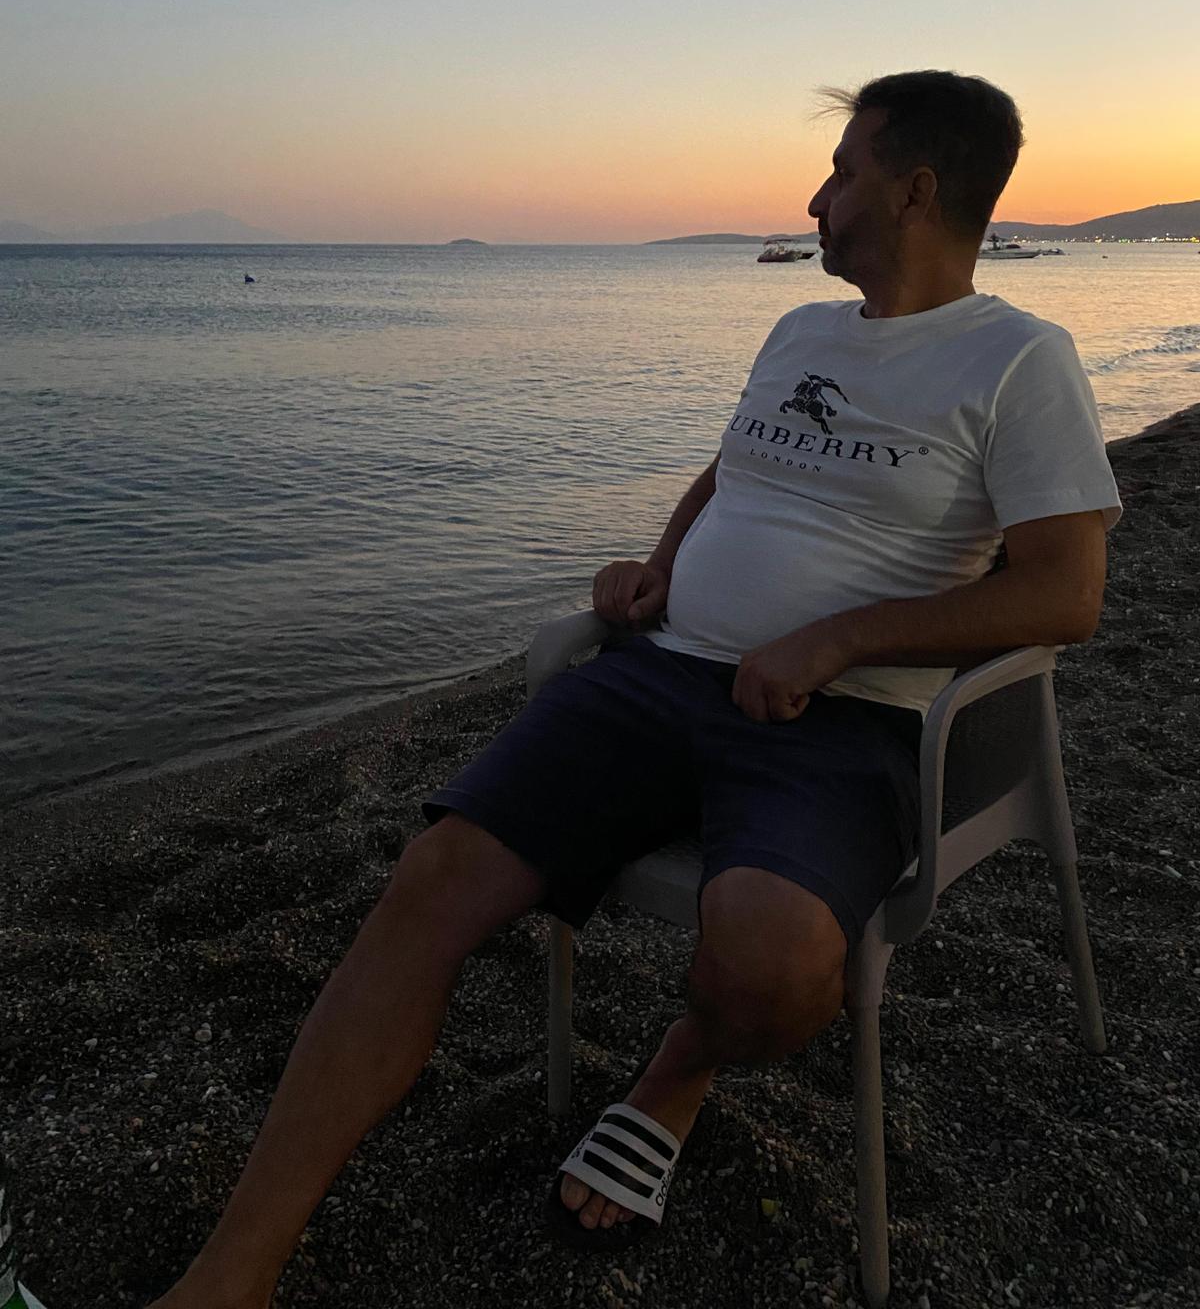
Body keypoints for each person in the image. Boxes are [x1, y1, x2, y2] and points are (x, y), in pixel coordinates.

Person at [149, 71, 1121, 1307]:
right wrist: (659, 566)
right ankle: (232, 1273)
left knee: (773, 973)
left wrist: (833, 642)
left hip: (845, 723)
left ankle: (673, 1074)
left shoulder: (1021, 359)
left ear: (916, 191)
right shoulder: (799, 333)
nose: (815, 200)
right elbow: (732, 473)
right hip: (656, 679)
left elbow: (1064, 594)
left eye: (842, 172)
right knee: (431, 881)